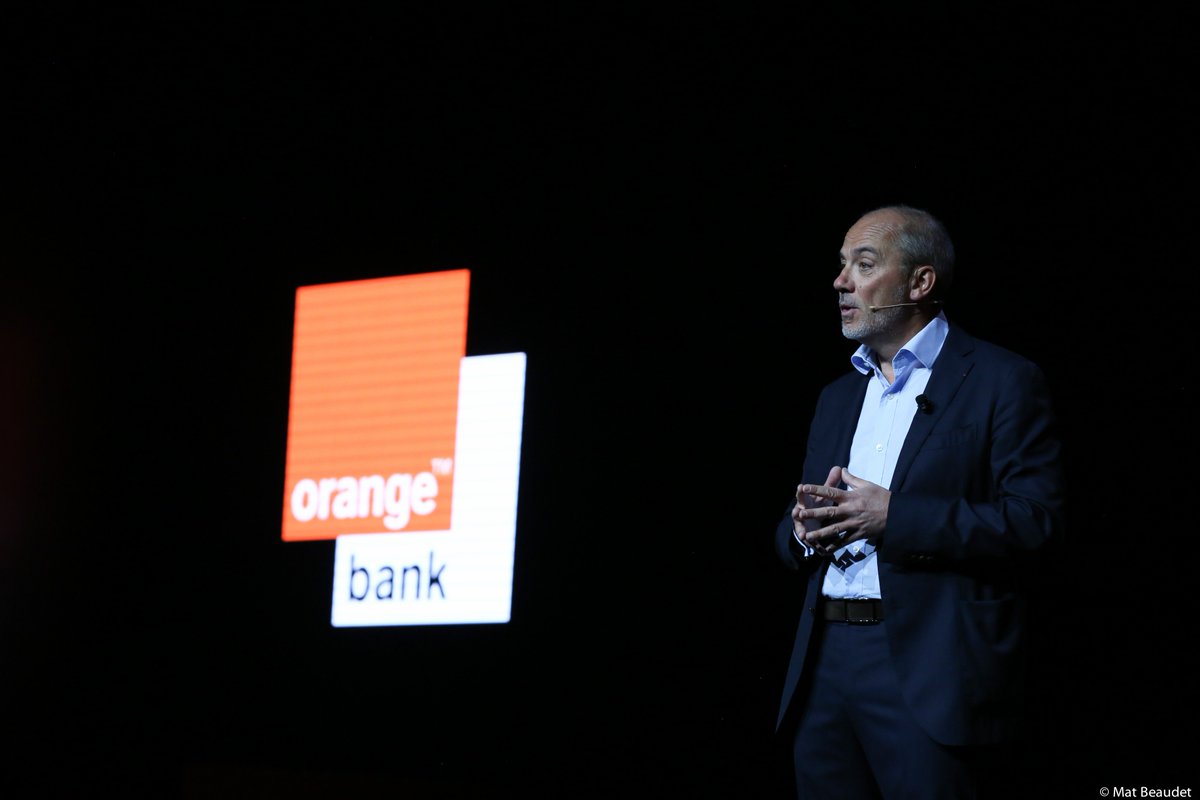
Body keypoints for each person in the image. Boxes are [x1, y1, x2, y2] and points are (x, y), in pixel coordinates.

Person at [774, 204, 1064, 799]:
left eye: (864, 264)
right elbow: (791, 526)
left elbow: (1036, 522)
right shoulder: (836, 396)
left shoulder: (1001, 380)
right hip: (824, 665)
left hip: (928, 667)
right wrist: (802, 531)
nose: (841, 281)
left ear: (920, 282)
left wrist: (895, 517)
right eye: (842, 264)